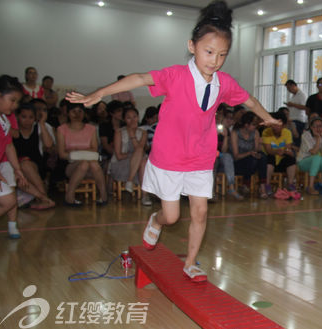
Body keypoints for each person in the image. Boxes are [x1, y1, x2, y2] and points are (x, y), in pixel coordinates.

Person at [66, 0, 278, 282]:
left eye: (222, 55)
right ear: (192, 46)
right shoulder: (175, 76)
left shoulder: (224, 83)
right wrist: (99, 93)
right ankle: (155, 220)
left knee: (200, 212)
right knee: (172, 216)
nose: (214, 60)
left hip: (201, 157)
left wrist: (269, 118)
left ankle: (190, 263)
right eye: (209, 51)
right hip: (169, 157)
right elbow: (140, 77)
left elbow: (249, 100)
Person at [57, 103, 107, 206]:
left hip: (91, 165)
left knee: (93, 164)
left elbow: (95, 149)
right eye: (73, 111)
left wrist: (76, 151)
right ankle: (69, 196)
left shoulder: (91, 128)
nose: (77, 114)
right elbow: (62, 154)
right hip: (71, 165)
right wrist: (80, 154)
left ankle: (103, 195)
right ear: (68, 113)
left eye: (80, 111)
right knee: (84, 164)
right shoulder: (62, 129)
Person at [0, 75, 28, 239]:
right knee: (8, 200)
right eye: (12, 100)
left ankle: (12, 226)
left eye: (17, 101)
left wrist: (17, 169)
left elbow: (8, 145)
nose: (15, 105)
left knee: (9, 200)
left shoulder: (4, 120)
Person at [13, 103, 56, 209]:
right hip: (15, 167)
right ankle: (43, 198)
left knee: (26, 165)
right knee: (19, 170)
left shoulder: (39, 127)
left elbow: (49, 145)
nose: (27, 120)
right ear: (17, 116)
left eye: (31, 117)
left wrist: (41, 123)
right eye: (24, 117)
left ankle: (42, 198)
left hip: (35, 166)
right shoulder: (12, 130)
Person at [109, 107, 151, 205]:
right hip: (121, 164)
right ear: (124, 119)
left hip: (139, 163)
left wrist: (132, 135)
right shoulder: (119, 132)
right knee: (141, 159)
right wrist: (134, 156)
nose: (132, 120)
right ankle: (144, 194)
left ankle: (133, 184)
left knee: (142, 160)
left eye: (135, 117)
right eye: (128, 118)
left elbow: (140, 150)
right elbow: (119, 156)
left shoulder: (143, 132)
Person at [231, 111, 268, 198]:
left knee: (262, 156)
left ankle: (262, 188)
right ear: (246, 125)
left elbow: (256, 150)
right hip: (237, 162)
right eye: (253, 125)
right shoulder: (235, 133)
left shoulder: (255, 133)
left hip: (251, 161)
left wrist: (259, 145)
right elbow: (236, 155)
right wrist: (249, 153)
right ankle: (246, 183)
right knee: (253, 159)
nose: (255, 127)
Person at [262, 112, 296, 193]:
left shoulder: (287, 133)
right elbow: (268, 150)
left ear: (284, 125)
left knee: (291, 159)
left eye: (277, 125)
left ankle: (290, 184)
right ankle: (267, 184)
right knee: (270, 157)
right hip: (269, 162)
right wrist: (277, 151)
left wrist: (286, 151)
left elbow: (288, 148)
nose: (274, 127)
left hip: (281, 161)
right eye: (273, 124)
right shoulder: (266, 132)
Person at [297, 117, 322, 195]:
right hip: (304, 162)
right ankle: (311, 187)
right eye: (315, 126)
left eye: (320, 126)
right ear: (311, 127)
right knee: (317, 157)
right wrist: (319, 139)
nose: (318, 128)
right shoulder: (306, 135)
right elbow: (313, 152)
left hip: (319, 162)